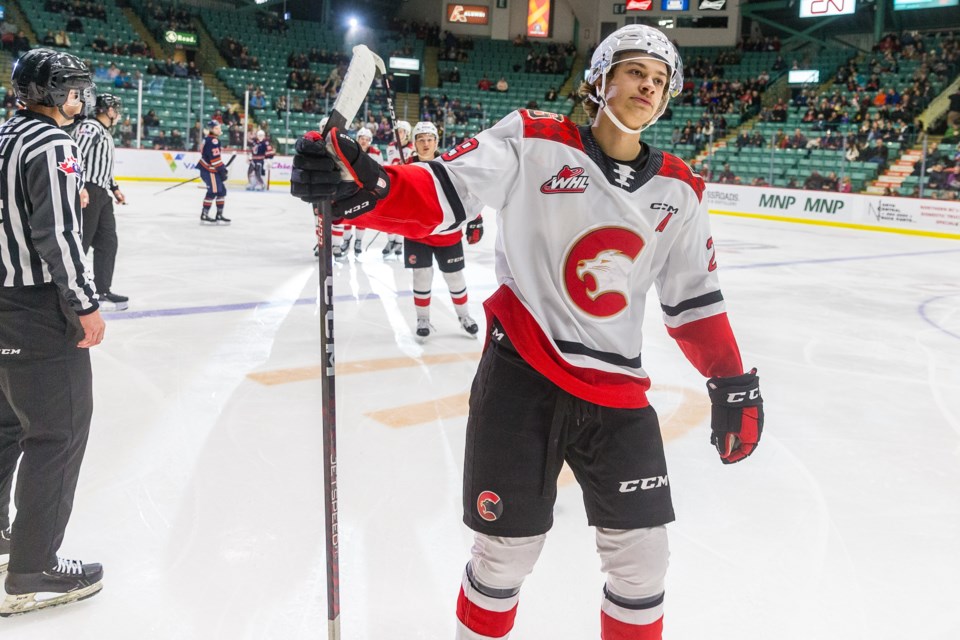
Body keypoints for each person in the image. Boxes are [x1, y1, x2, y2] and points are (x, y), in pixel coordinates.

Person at [291, 24, 764, 639]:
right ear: (598, 79)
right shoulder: (533, 140)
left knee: (644, 563)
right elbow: (444, 194)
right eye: (634, 72)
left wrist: (731, 381)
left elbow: (694, 301)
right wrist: (370, 184)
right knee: (505, 555)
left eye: (659, 80)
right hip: (523, 381)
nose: (647, 86)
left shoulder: (680, 189)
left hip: (619, 396)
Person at [0, 47, 106, 617]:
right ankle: (31, 569)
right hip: (39, 310)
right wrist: (86, 304)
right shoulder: (54, 144)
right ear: (52, 92)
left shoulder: (3, 136)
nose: (80, 99)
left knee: (6, 429)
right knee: (56, 434)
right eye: (74, 89)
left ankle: (2, 544)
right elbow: (58, 236)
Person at [400, 121, 481, 338]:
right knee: (422, 276)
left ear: (437, 141)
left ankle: (464, 316)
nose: (426, 144)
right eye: (421, 140)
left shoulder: (449, 164)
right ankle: (423, 319)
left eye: (430, 139)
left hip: (448, 233)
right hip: (418, 234)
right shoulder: (405, 166)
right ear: (414, 142)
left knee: (455, 277)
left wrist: (476, 219)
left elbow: (467, 191)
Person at [72, 93, 129, 311]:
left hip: (101, 194)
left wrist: (114, 188)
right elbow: (75, 156)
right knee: (82, 243)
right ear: (106, 110)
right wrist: (79, 186)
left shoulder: (104, 132)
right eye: (115, 108)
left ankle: (101, 290)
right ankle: (72, 292)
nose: (118, 112)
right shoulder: (90, 128)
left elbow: (104, 166)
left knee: (108, 242)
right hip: (88, 191)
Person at [333, 127, 382, 258]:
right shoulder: (350, 150)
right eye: (362, 138)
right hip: (349, 189)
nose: (364, 142)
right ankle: (346, 240)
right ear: (357, 139)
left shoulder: (376, 153)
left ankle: (358, 241)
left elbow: (380, 170)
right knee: (348, 216)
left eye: (367, 139)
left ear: (370, 141)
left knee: (361, 218)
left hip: (365, 190)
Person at [382, 120, 414, 257]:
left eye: (401, 131)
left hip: (405, 186)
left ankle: (399, 242)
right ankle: (390, 241)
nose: (398, 134)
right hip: (392, 184)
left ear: (406, 133)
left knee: (402, 215)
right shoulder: (390, 147)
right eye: (397, 131)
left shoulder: (412, 149)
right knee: (389, 215)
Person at [198, 120, 230, 224]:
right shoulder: (213, 141)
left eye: (219, 127)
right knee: (213, 191)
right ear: (212, 130)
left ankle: (219, 214)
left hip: (210, 169)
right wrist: (222, 170)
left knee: (221, 192)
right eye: (217, 128)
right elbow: (214, 159)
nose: (219, 129)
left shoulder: (208, 139)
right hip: (210, 171)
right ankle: (204, 214)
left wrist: (221, 169)